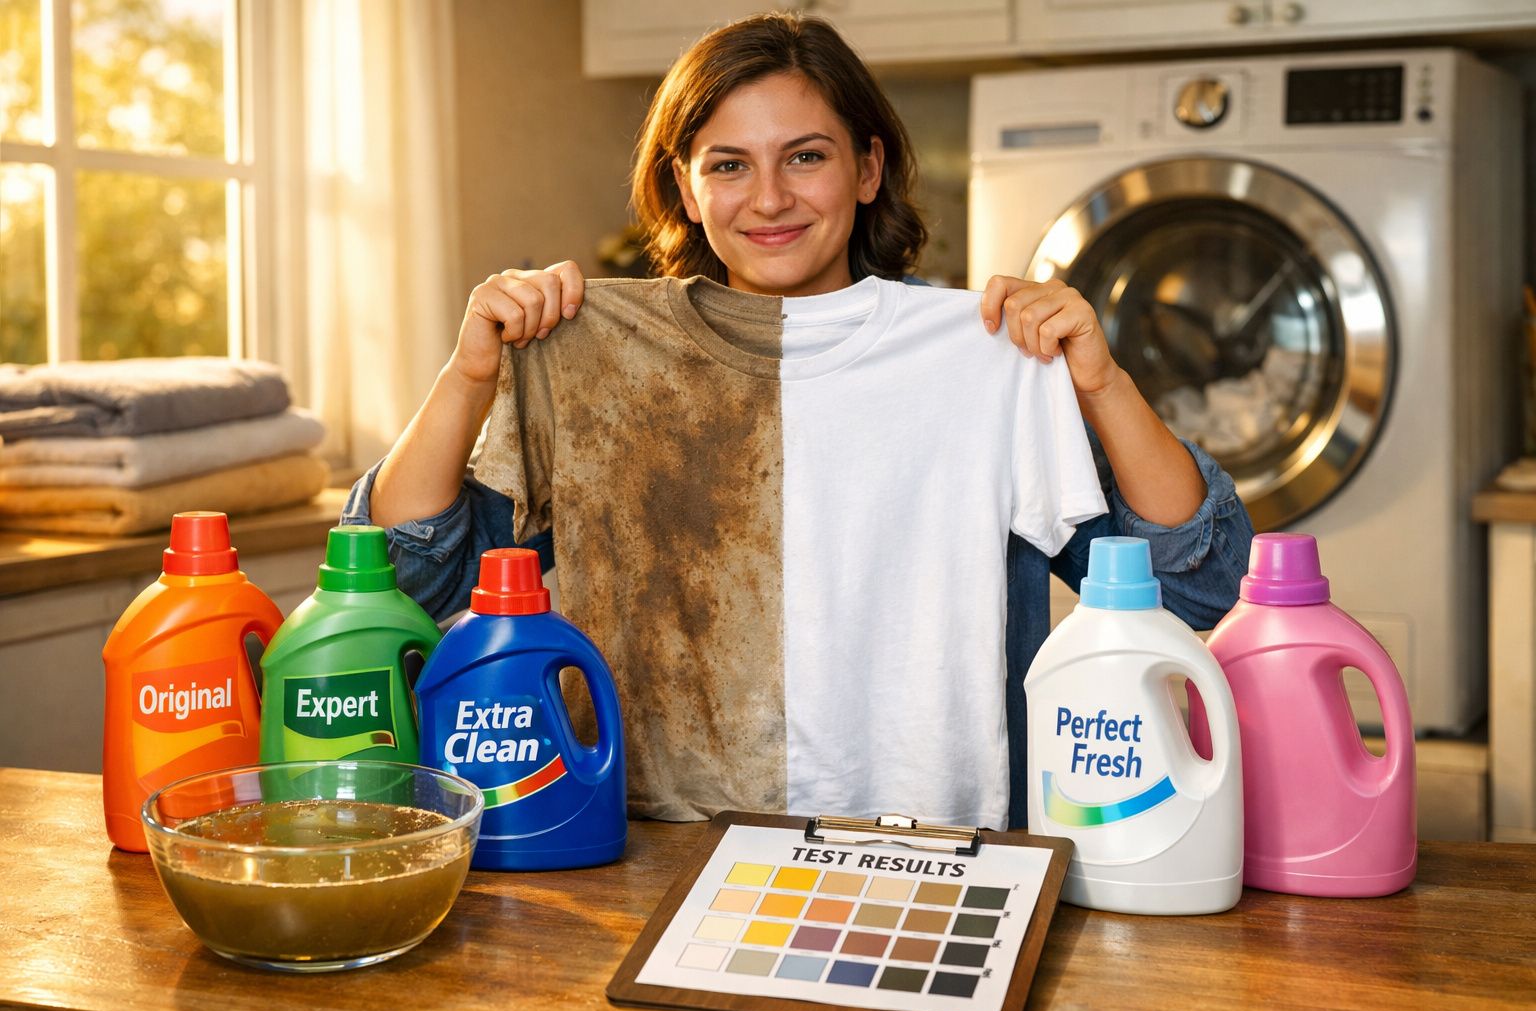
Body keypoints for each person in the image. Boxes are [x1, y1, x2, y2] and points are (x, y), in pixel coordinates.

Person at [344, 12, 1253, 829]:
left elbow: (1199, 585)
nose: (769, 199)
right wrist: (469, 375)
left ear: (868, 167)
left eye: (806, 156)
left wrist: (1102, 382)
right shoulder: (599, 364)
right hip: (645, 851)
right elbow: (397, 590)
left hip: (916, 854)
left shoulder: (979, 351)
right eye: (728, 165)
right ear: (687, 188)